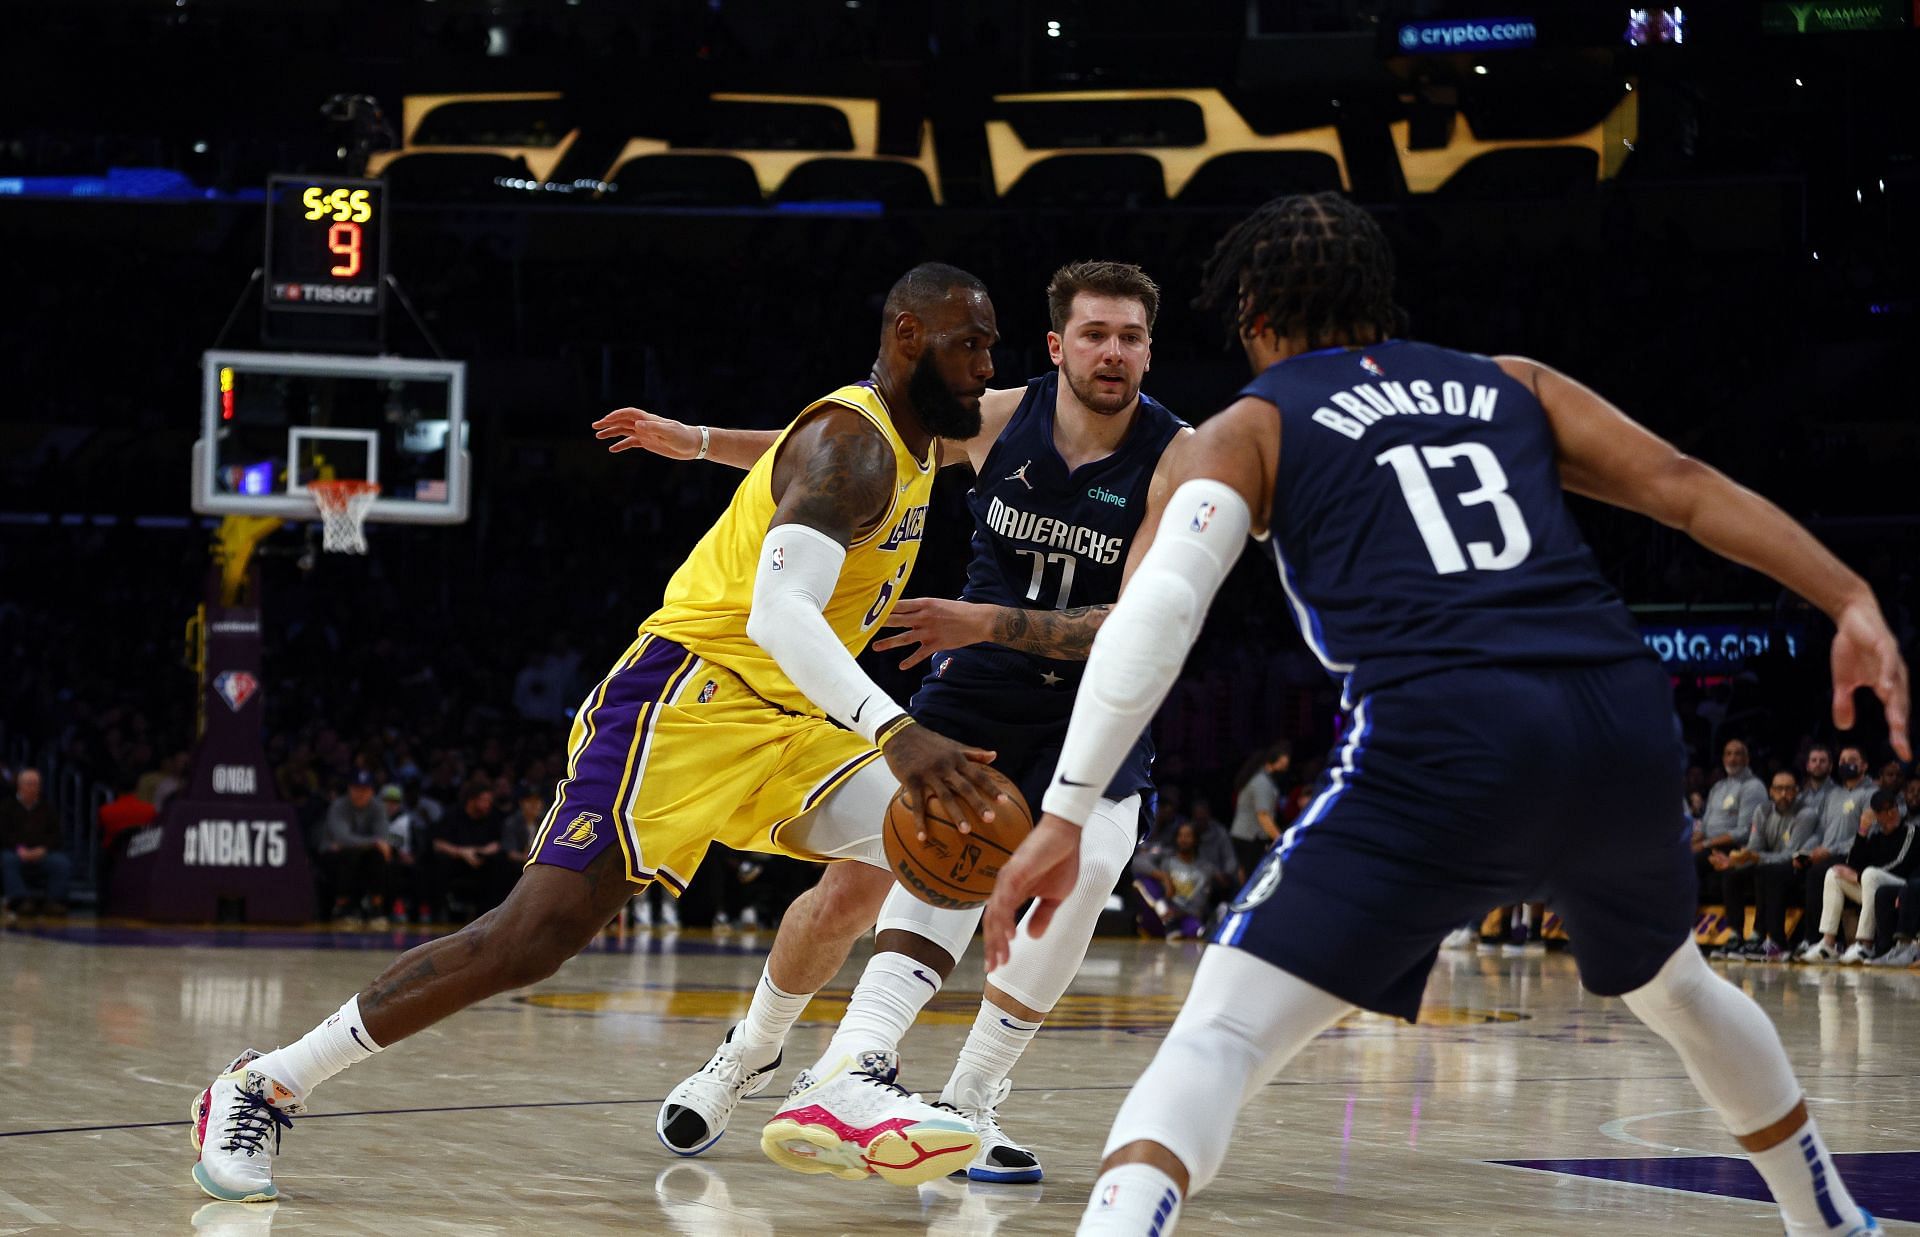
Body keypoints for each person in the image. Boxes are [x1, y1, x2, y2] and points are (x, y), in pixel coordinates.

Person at [984, 192, 1907, 1237]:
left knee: (1223, 1035)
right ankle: (1834, 1224)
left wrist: (1066, 810)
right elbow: (1683, 485)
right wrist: (1849, 596)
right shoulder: (1512, 382)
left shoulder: (1251, 423)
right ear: (1380, 301)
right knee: (1676, 983)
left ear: (1251, 314)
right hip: (1619, 719)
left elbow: (1158, 613)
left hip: (1445, 733)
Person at [189, 262, 1011, 1204]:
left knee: (960, 832)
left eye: (993, 345)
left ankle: (845, 1075)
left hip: (792, 721)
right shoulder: (852, 446)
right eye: (970, 343)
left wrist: (699, 440)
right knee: (529, 939)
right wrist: (897, 731)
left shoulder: (915, 435)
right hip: (686, 705)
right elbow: (781, 613)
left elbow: (808, 447)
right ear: (908, 336)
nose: (987, 365)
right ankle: (262, 1081)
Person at [611, 260, 1188, 1185]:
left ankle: (966, 1105)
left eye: (1130, 336)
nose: (1112, 352)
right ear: (1058, 346)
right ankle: (752, 1051)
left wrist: (978, 620)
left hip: (1098, 701)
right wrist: (700, 440)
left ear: (1150, 350)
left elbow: (1131, 625)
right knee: (856, 884)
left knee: (1086, 878)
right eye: (1095, 334)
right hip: (978, 691)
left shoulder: (1176, 456)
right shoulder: (1000, 419)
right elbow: (842, 448)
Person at [1710, 770, 1819, 961]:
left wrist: (1752, 856)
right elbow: (1754, 847)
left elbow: (1789, 854)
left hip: (1796, 867)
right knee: (1732, 873)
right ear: (1771, 791)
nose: (1783, 794)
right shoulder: (1763, 810)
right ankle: (1735, 934)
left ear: (1796, 791)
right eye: (1779, 789)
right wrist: (1734, 861)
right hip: (1768, 865)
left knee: (1766, 871)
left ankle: (1775, 941)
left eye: (1788, 789)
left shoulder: (1806, 813)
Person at [1799, 790, 1918, 964]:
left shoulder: (1911, 831)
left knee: (1870, 874)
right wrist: (1862, 831)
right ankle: (1828, 943)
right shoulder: (1876, 836)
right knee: (1834, 874)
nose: (1886, 816)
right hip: (1873, 887)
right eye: (1878, 812)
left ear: (1894, 810)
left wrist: (1859, 875)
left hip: (1901, 887)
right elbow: (1853, 863)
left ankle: (1865, 944)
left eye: (1887, 810)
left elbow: (1901, 864)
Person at [1, 768, 70, 917]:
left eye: (36, 784)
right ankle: (20, 901)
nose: (33, 787)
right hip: (16, 852)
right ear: (20, 786)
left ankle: (54, 902)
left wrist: (43, 849)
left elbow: (56, 835)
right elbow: (4, 834)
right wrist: (20, 849)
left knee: (61, 862)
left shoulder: (47, 808)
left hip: (42, 853)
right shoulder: (6, 807)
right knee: (7, 859)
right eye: (29, 784)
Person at [1228, 742, 1289, 880]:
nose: (1285, 768)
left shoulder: (1263, 779)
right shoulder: (1261, 782)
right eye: (1283, 763)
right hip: (1248, 839)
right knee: (1248, 880)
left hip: (1248, 837)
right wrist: (1280, 839)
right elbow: (1263, 816)